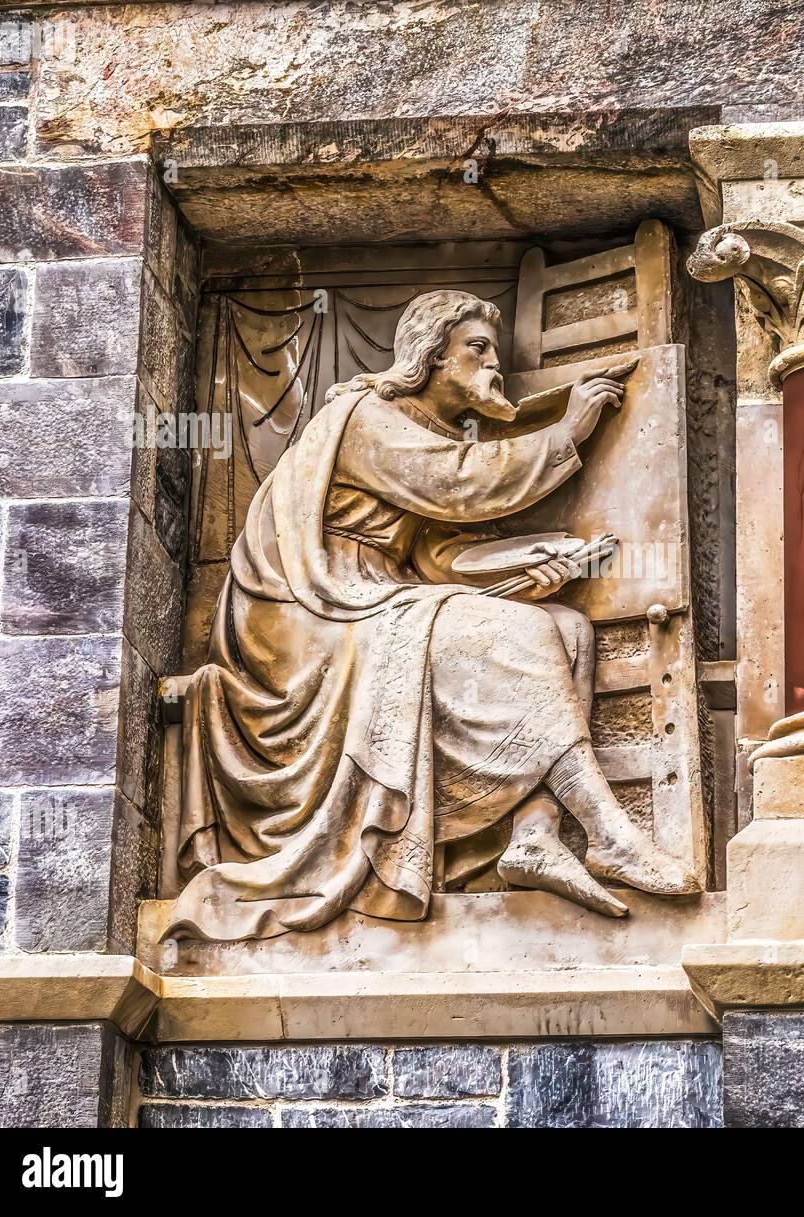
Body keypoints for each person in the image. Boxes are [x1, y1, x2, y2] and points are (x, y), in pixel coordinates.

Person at [166, 289, 698, 942]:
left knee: (566, 627)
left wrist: (532, 566)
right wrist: (566, 431)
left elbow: (440, 558)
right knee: (524, 632)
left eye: (494, 351)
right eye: (476, 348)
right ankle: (610, 834)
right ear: (431, 356)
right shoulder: (368, 415)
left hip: (372, 594)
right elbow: (463, 482)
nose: (493, 364)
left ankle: (534, 835)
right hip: (303, 621)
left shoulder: (426, 436)